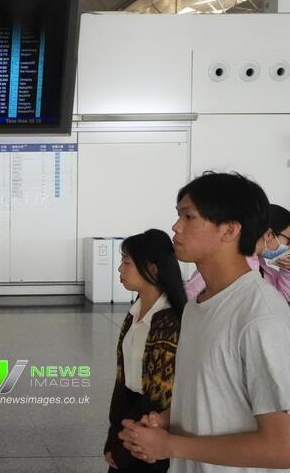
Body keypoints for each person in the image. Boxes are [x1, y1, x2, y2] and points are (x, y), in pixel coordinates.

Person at [119, 172, 290, 472]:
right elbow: (211, 392)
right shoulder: (197, 307)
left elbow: (282, 447)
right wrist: (165, 420)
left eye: (188, 216)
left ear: (229, 230)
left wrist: (170, 446)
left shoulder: (260, 316)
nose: (175, 226)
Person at [104, 229, 186, 473]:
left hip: (151, 428)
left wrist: (124, 441)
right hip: (127, 417)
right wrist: (113, 435)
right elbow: (122, 379)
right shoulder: (134, 314)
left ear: (152, 269)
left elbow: (162, 395)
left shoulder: (171, 321)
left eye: (127, 262)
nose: (120, 269)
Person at [254, 204, 290, 303]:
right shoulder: (236, 265)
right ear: (268, 234)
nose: (289, 248)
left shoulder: (265, 268)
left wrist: (287, 270)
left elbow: (282, 301)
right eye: (288, 241)